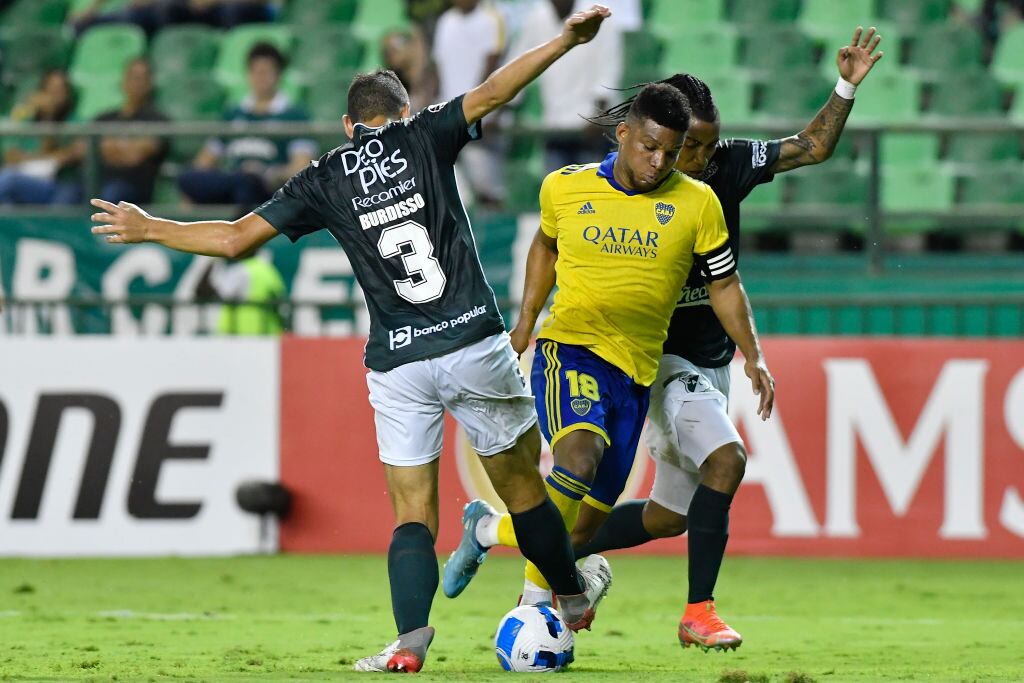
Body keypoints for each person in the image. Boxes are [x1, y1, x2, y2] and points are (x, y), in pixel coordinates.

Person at [90, 5, 614, 674]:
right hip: (471, 341)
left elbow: (230, 239)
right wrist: (565, 41)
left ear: (347, 125)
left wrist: (149, 225)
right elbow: (497, 90)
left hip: (398, 361)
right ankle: (570, 598)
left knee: (413, 512)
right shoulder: (425, 134)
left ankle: (409, 643)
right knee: (523, 489)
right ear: (402, 111)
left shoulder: (324, 176)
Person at [547, 26, 881, 652]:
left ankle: (548, 554)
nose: (691, 158)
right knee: (727, 461)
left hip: (710, 361)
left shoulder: (724, 166)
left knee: (670, 515)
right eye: (683, 147)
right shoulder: (638, 186)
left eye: (701, 146)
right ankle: (697, 611)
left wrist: (844, 87)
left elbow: (812, 146)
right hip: (658, 359)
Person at [442, 83, 774, 618]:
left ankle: (485, 527)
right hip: (569, 350)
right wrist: (525, 322)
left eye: (670, 151)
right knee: (578, 455)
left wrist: (752, 355)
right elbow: (546, 245)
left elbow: (725, 285)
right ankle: (538, 604)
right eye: (649, 147)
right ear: (623, 134)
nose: (659, 161)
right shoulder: (564, 187)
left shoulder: (697, 202)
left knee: (585, 527)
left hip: (636, 375)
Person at [177, 42, 315, 211]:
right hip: (232, 181)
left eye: (266, 72)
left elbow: (300, 168)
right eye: (256, 72)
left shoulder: (294, 115)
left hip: (267, 188)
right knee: (186, 178)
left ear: (279, 75)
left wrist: (268, 173)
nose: (260, 78)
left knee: (248, 183)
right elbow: (204, 161)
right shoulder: (232, 114)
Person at [508, 0, 624, 170]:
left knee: (589, 191)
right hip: (554, 126)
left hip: (590, 129)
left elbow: (608, 67)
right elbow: (518, 64)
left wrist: (598, 115)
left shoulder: (596, 16)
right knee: (555, 191)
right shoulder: (537, 17)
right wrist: (506, 109)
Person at [0, 70, 83, 205]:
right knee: (6, 202)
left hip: (57, 184)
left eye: (59, 91)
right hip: (26, 177)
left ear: (68, 94)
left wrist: (49, 116)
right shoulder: (28, 119)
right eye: (49, 91)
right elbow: (10, 156)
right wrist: (44, 157)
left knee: (10, 179)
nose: (53, 96)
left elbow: (67, 157)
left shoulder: (75, 121)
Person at [95, 58, 169, 204]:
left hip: (132, 185)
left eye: (142, 78)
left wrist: (108, 147)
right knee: (68, 194)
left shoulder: (158, 120)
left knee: (109, 196)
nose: (137, 83)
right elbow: (83, 149)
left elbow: (137, 156)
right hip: (97, 179)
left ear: (150, 83)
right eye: (133, 77)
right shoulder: (105, 117)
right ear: (123, 80)